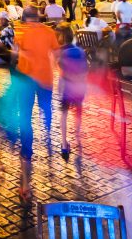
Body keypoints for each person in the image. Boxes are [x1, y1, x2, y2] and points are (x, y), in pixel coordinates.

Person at [16, 8, 59, 150]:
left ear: (25, 18)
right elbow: (56, 52)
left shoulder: (21, 32)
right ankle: (47, 130)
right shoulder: (49, 31)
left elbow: (16, 51)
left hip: (26, 77)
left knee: (25, 110)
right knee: (46, 106)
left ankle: (26, 142)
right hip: (45, 76)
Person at [55, 23, 87, 161]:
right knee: (78, 110)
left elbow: (61, 71)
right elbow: (86, 70)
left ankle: (63, 143)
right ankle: (77, 136)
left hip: (66, 86)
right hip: (79, 85)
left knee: (64, 113)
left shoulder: (59, 52)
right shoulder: (80, 51)